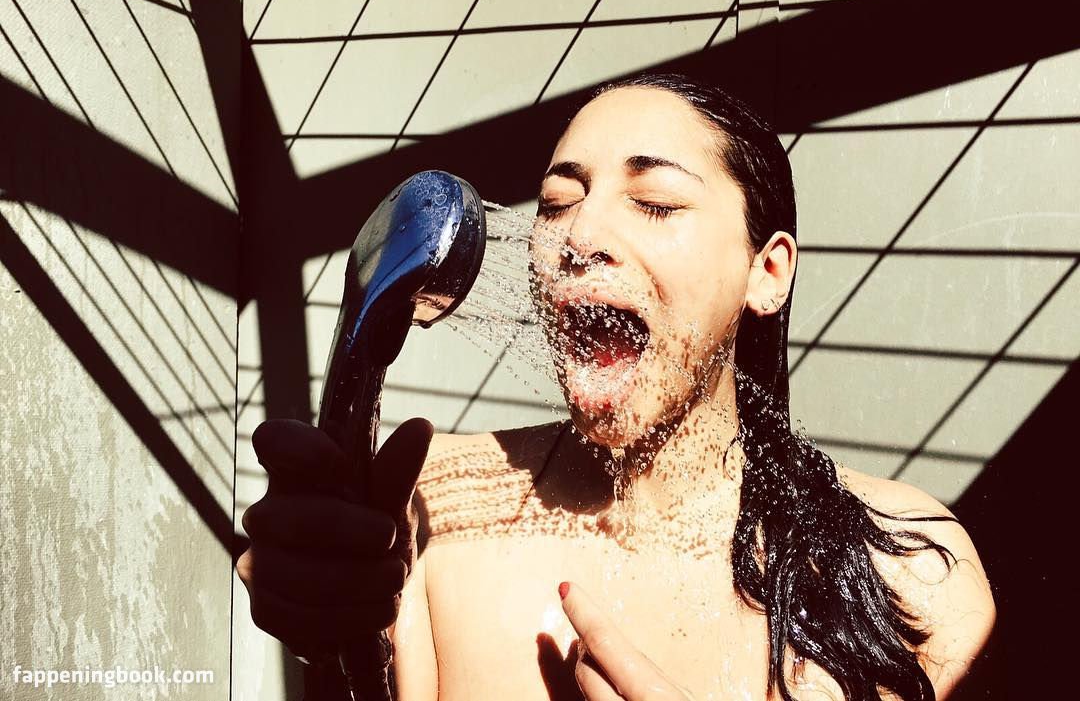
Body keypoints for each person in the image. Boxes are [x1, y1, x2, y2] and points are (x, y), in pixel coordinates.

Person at [237, 74, 996, 701]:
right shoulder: (427, 508)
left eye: (656, 201)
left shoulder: (910, 568)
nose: (579, 237)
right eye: (557, 204)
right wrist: (333, 640)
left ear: (767, 272)